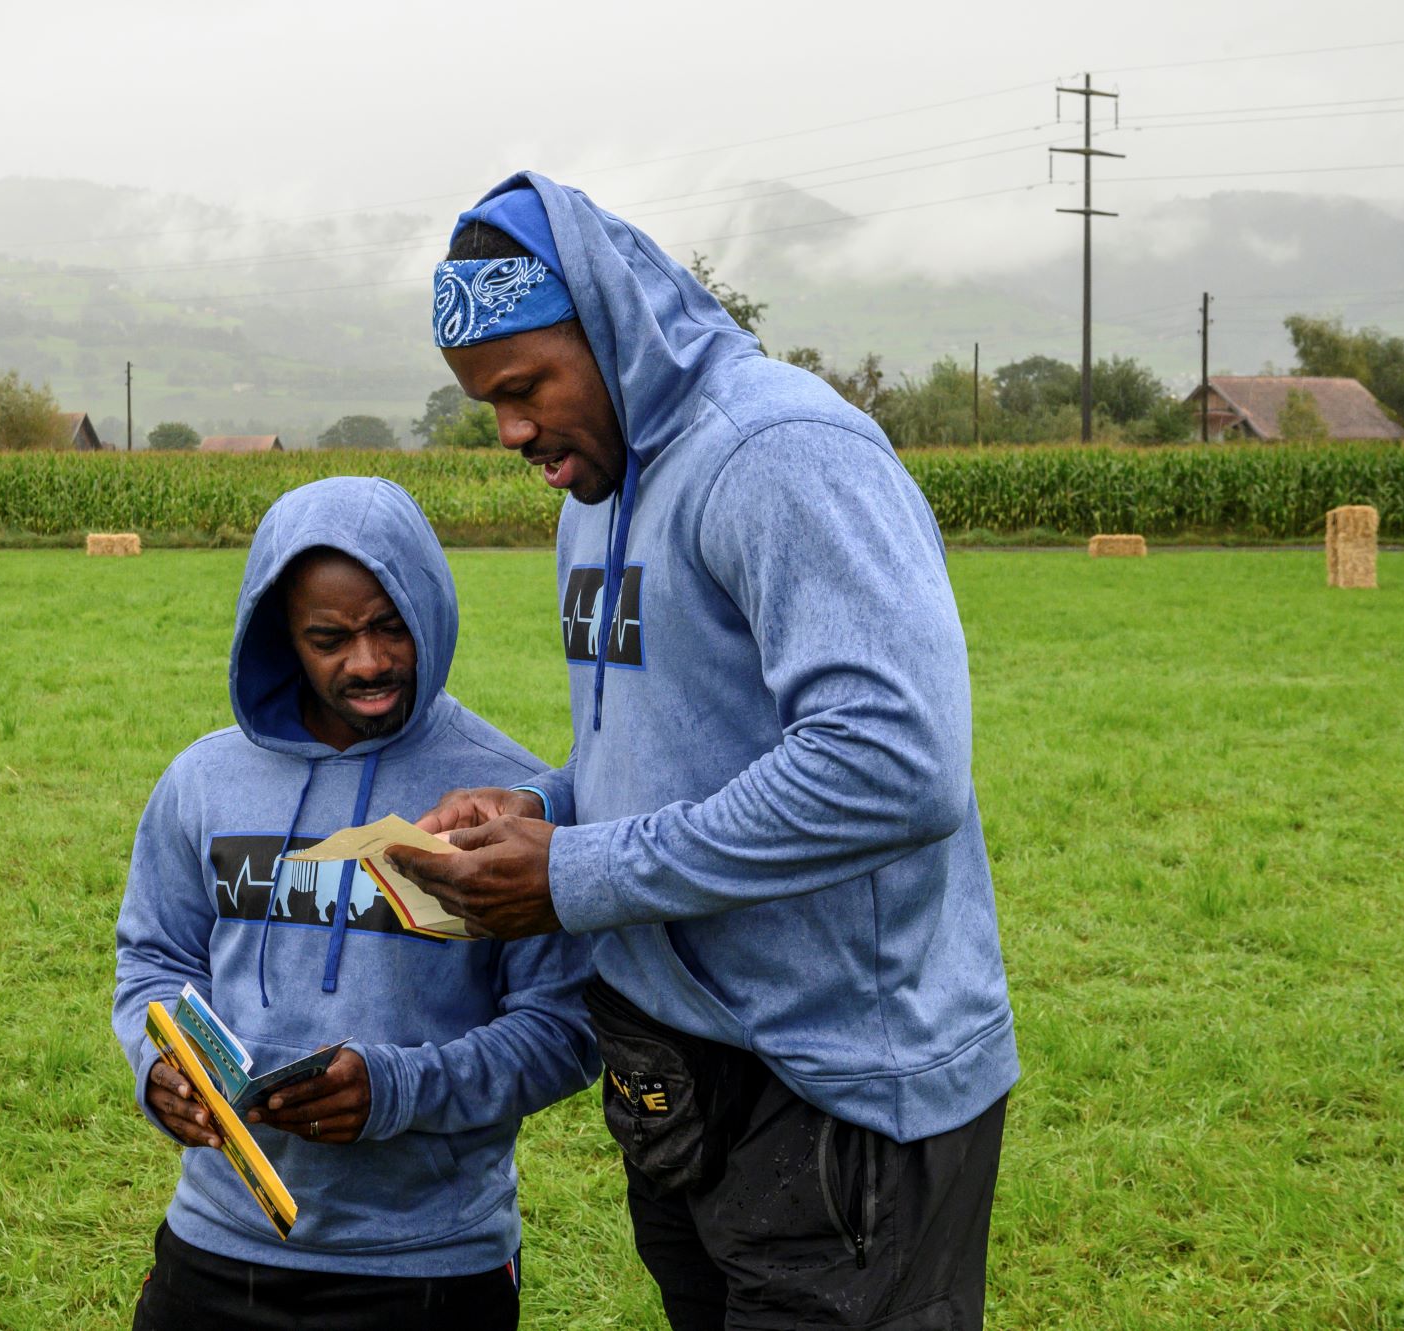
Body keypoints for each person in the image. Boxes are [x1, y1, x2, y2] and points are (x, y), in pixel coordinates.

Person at [390, 174, 1019, 1330]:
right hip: (675, 1072)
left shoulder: (776, 450)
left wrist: (569, 873)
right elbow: (663, 752)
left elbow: (890, 759)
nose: (511, 431)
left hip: (835, 1088)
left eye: (525, 388)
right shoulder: (596, 490)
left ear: (609, 323)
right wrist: (539, 810)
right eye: (487, 401)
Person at [112, 476, 599, 1331]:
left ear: (431, 610)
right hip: (219, 1242)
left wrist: (396, 1088)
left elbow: (565, 1029)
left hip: (428, 1264)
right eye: (329, 638)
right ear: (281, 638)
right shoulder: (202, 781)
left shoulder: (507, 799)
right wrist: (164, 1073)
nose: (366, 662)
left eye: (389, 626)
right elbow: (153, 958)